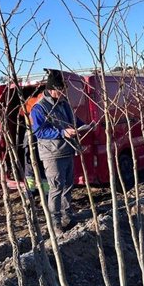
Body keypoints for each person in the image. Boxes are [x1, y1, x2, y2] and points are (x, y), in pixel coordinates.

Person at [31, 70, 88, 234]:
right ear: (51, 89)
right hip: (52, 154)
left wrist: (84, 126)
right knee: (55, 188)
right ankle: (55, 223)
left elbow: (74, 121)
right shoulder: (39, 108)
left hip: (68, 150)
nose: (63, 93)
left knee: (68, 185)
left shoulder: (64, 104)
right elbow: (40, 132)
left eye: (64, 89)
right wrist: (62, 133)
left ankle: (67, 216)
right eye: (60, 90)